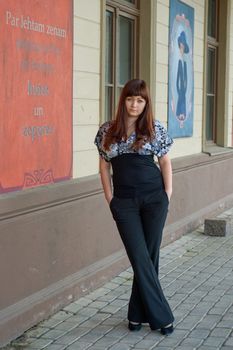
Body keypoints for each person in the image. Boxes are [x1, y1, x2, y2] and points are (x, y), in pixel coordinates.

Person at [94, 79, 174, 335]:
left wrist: (167, 193)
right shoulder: (107, 130)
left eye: (140, 100)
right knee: (140, 257)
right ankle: (161, 316)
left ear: (145, 103)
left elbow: (164, 161)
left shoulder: (154, 127)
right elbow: (104, 167)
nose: (135, 104)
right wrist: (110, 199)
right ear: (123, 100)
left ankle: (136, 315)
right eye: (130, 99)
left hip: (154, 198)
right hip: (124, 202)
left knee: (149, 256)